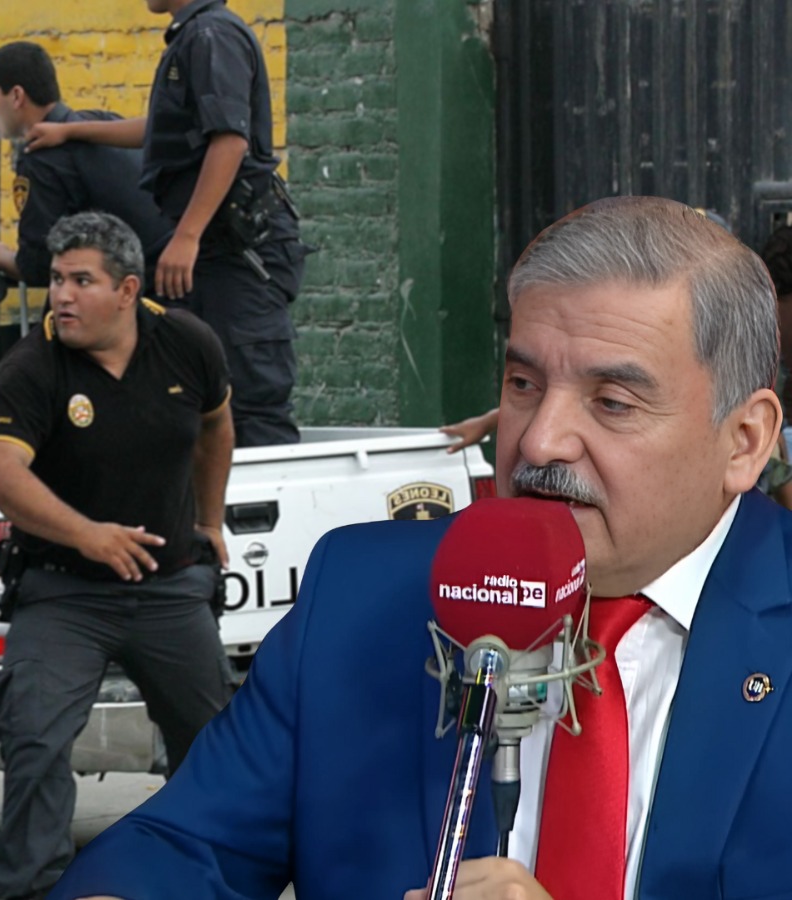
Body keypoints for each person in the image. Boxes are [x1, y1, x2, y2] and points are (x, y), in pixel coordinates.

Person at [51, 196, 792, 899]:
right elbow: (185, 847)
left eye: (613, 403)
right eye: (524, 382)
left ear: (745, 440)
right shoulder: (364, 596)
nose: (537, 439)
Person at [0, 212, 235, 900]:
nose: (61, 295)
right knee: (33, 741)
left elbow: (216, 422)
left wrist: (210, 519)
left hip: (169, 585)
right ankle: (36, 889)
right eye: (56, 279)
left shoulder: (187, 343)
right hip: (64, 593)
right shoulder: (31, 365)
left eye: (80, 281)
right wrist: (87, 533)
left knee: (215, 745)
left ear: (125, 290)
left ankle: (203, 880)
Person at [25, 0, 306, 448]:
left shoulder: (211, 36)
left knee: (251, 404)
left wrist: (187, 236)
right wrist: (71, 131)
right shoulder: (194, 37)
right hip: (213, 254)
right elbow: (159, 129)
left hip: (237, 254)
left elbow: (229, 141)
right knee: (197, 395)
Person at [0, 41, 175, 290]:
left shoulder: (41, 158)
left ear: (16, 96)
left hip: (146, 293)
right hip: (182, 274)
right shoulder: (100, 123)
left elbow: (37, 266)